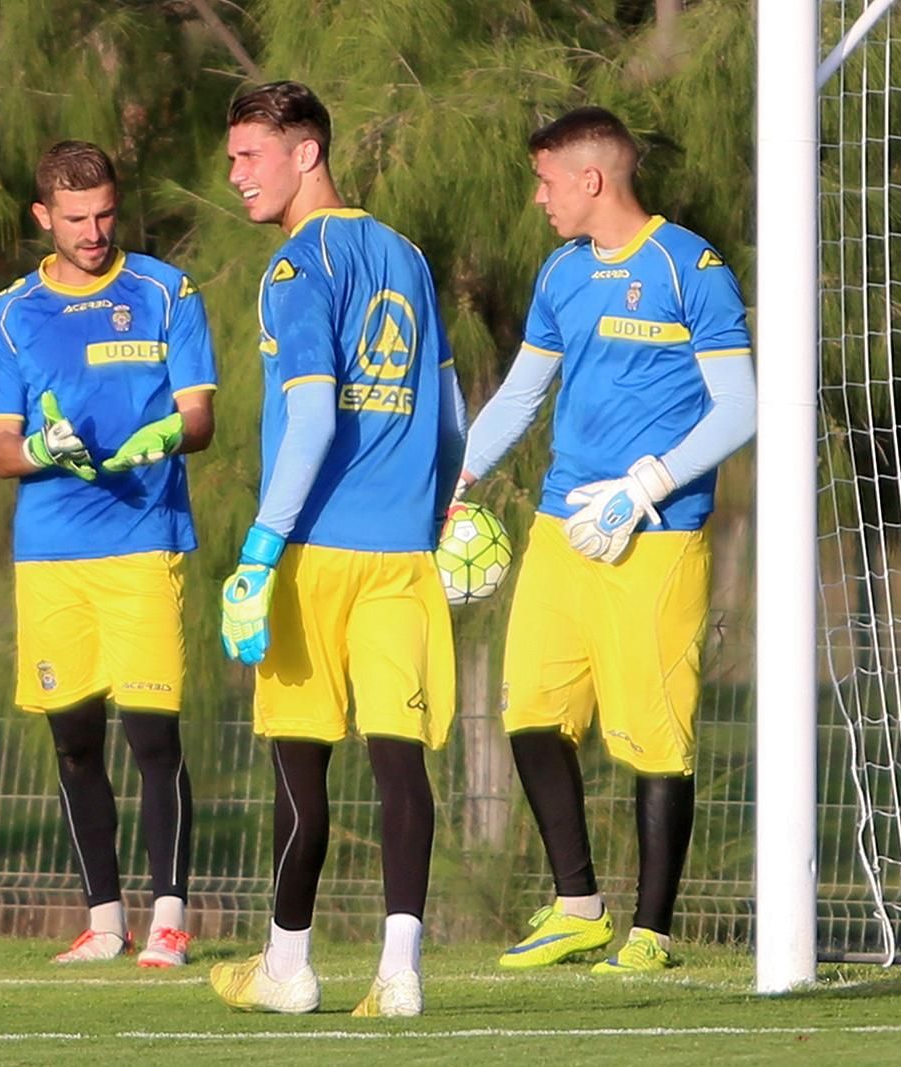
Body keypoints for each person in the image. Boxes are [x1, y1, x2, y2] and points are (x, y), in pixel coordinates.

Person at [459, 106, 756, 974]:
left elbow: (740, 405)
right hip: (560, 528)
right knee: (530, 713)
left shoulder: (690, 268)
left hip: (658, 538)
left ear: (592, 179)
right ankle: (576, 907)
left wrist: (645, 487)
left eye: (547, 180)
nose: (540, 196)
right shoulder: (560, 274)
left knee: (654, 737)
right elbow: (519, 398)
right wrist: (454, 478)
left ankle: (651, 931)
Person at [209, 82, 466, 1017]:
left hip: (315, 550)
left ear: (306, 152)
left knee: (300, 763)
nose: (235, 173)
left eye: (250, 155)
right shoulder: (406, 256)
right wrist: (443, 510)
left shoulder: (294, 268)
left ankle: (288, 965)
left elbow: (311, 419)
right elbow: (450, 415)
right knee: (401, 763)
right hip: (403, 553)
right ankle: (400, 973)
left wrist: (258, 551)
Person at [0, 140, 217, 968]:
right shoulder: (7, 314)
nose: (95, 230)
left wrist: (164, 436)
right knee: (74, 739)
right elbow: (3, 450)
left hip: (145, 542)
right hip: (51, 557)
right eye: (77, 218)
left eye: (106, 212)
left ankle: (171, 920)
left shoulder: (164, 290)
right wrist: (46, 449)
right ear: (43, 216)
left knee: (155, 737)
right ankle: (105, 920)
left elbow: (199, 417)